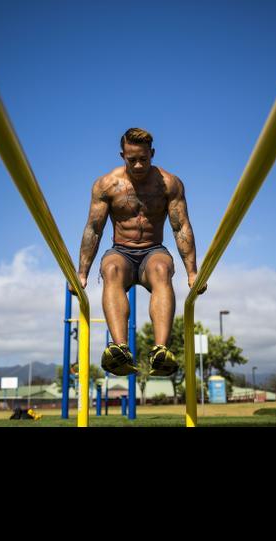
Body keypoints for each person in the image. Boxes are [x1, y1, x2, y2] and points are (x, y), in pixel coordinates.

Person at [73, 127, 207, 377]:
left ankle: (160, 351)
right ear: (122, 155)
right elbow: (94, 229)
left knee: (161, 269)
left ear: (152, 154)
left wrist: (192, 272)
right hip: (120, 252)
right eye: (131, 159)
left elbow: (181, 228)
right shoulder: (107, 185)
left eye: (143, 159)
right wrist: (82, 273)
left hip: (152, 251)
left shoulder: (169, 184)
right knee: (111, 269)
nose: (137, 165)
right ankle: (120, 349)